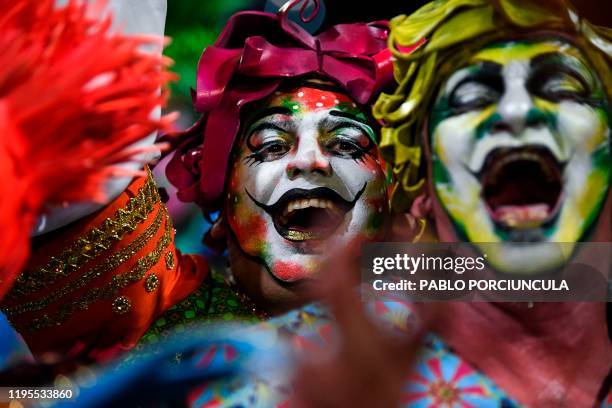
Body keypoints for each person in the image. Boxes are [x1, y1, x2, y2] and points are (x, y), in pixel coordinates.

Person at [0, 0, 395, 368]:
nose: (310, 160)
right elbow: (67, 97)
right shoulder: (167, 322)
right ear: (222, 212)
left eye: (347, 143)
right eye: (271, 145)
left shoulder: (443, 290)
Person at [373, 0, 611, 405]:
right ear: (422, 190)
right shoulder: (313, 369)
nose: (517, 111)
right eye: (470, 97)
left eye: (562, 88)